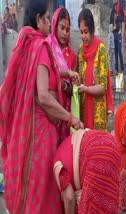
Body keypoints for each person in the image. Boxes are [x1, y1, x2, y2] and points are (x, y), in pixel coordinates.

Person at [0, 0, 83, 213]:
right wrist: (70, 117)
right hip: (42, 134)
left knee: (31, 189)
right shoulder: (41, 46)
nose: (49, 23)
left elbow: (44, 73)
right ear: (38, 20)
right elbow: (44, 97)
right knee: (43, 193)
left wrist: (65, 73)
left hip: (30, 131)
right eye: (47, 19)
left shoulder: (27, 45)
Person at [53, 129, 120, 214]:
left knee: (91, 207)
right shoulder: (65, 147)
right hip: (111, 143)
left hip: (95, 152)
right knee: (107, 200)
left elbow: (69, 198)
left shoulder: (56, 166)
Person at [77, 8, 113, 130]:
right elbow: (80, 78)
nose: (83, 36)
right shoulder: (81, 51)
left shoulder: (101, 50)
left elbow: (103, 87)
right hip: (83, 110)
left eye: (86, 32)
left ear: (92, 30)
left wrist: (86, 89)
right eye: (81, 32)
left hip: (98, 114)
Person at [47, 7, 79, 141]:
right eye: (62, 28)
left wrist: (65, 86)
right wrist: (64, 74)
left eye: (67, 29)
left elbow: (73, 91)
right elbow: (44, 75)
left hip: (65, 114)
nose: (65, 33)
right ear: (54, 26)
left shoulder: (71, 56)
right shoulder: (46, 47)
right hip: (48, 112)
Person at [110, 0, 124, 74]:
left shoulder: (121, 7)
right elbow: (111, 20)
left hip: (119, 32)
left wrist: (118, 17)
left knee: (119, 51)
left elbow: (123, 19)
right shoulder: (113, 8)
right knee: (115, 51)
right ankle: (116, 69)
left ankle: (122, 68)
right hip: (113, 32)